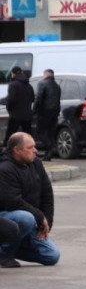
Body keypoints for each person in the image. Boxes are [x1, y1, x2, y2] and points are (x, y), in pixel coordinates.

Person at [0, 133, 59, 267]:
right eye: (30, 147)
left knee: (52, 256)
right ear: (17, 150)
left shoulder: (36, 163)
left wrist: (46, 222)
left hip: (31, 222)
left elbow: (47, 194)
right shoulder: (5, 169)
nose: (35, 150)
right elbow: (13, 202)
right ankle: (5, 254)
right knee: (25, 218)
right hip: (8, 219)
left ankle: (8, 248)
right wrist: (39, 216)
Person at [32, 69, 61, 160]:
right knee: (50, 133)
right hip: (55, 112)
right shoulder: (57, 86)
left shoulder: (42, 83)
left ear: (46, 75)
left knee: (40, 132)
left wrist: (35, 110)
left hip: (44, 112)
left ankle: (50, 148)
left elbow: (38, 98)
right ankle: (48, 154)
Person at [4, 66, 34, 139]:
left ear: (13, 74)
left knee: (10, 136)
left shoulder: (13, 85)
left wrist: (10, 110)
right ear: (22, 72)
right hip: (27, 115)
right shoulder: (29, 85)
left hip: (15, 115)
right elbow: (32, 99)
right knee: (28, 136)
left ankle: (7, 149)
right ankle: (30, 149)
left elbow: (11, 99)